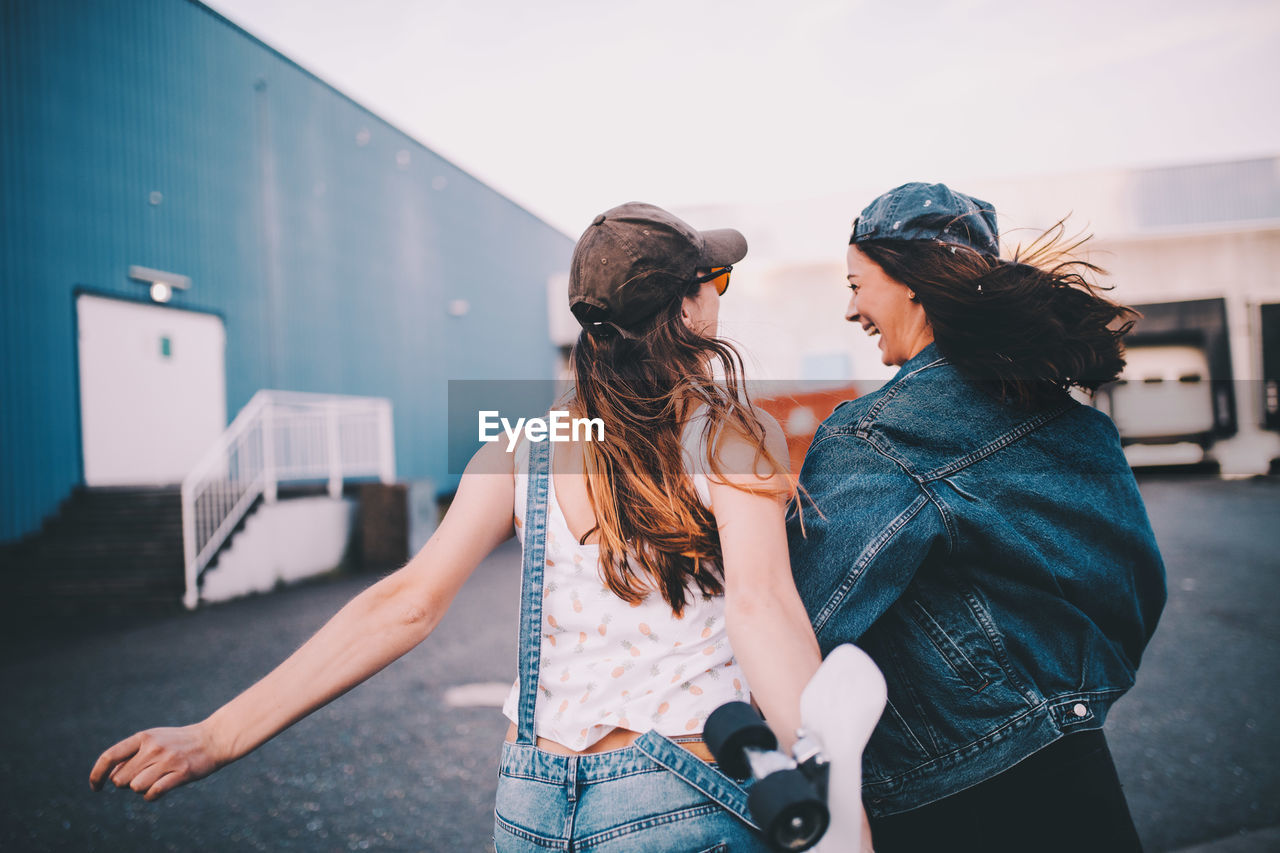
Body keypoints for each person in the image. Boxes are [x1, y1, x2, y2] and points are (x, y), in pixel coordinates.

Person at [90, 202, 822, 852]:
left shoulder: (518, 448)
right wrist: (831, 781)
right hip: (683, 786)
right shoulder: (733, 434)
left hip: (533, 801)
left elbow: (405, 602)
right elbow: (761, 607)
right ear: (685, 309)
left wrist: (218, 735)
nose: (717, 299)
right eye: (714, 281)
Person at [786, 182, 1167, 852]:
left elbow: (804, 625)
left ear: (909, 282)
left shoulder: (873, 436)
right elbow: (1135, 593)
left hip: (951, 802)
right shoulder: (1071, 418)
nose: (851, 309)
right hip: (1081, 774)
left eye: (857, 284)